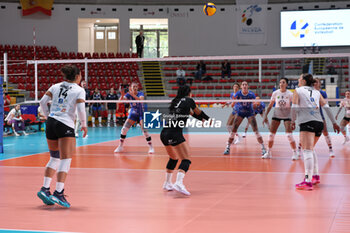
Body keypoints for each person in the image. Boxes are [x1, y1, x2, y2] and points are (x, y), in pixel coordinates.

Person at [37, 65, 87, 207]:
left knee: (54, 157)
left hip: (51, 123)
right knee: (66, 159)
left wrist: (48, 117)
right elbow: (81, 109)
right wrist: (84, 124)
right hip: (65, 124)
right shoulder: (79, 90)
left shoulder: (55, 86)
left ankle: (45, 189)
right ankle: (58, 192)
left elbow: (42, 103)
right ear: (77, 76)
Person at [291, 73, 339, 191]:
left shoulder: (298, 90)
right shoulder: (316, 92)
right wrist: (334, 122)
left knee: (306, 151)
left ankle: (307, 181)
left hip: (307, 122)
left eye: (300, 77)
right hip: (319, 123)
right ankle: (315, 176)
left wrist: (292, 120)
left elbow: (294, 107)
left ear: (303, 81)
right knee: (311, 149)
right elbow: (326, 107)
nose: (298, 79)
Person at [161, 85, 210, 195]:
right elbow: (198, 112)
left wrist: (202, 120)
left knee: (173, 158)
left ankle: (167, 183)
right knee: (186, 159)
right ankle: (179, 182)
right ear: (189, 93)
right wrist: (208, 119)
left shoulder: (176, 101)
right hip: (175, 132)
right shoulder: (189, 100)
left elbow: (193, 114)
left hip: (164, 133)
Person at [223, 81, 266, 155]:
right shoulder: (238, 93)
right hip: (240, 112)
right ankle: (228, 147)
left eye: (246, 84)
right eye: (243, 84)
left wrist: (256, 104)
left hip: (250, 112)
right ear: (241, 87)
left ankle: (263, 148)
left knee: (255, 130)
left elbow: (254, 104)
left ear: (248, 86)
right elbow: (232, 104)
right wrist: (233, 103)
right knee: (233, 129)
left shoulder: (251, 94)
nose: (244, 86)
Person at [262, 78, 299, 160]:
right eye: (280, 82)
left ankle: (295, 152)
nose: (281, 84)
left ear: (286, 84)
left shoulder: (290, 94)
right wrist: (265, 116)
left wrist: (293, 120)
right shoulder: (275, 93)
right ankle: (268, 153)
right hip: (276, 115)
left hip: (287, 116)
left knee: (289, 135)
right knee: (271, 135)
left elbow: (294, 107)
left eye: (283, 82)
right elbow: (270, 105)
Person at [114, 82, 154, 154]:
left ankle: (151, 147)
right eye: (133, 87)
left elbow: (141, 100)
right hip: (133, 113)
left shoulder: (140, 93)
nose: (135, 88)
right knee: (124, 129)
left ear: (138, 87)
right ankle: (120, 146)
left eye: (136, 86)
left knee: (144, 130)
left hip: (141, 113)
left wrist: (132, 95)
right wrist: (122, 95)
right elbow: (119, 102)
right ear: (131, 88)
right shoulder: (128, 94)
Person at [313, 78, 335, 157]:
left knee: (325, 131)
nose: (315, 83)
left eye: (316, 82)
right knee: (307, 132)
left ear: (319, 83)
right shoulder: (310, 92)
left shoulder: (323, 93)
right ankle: (300, 149)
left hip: (320, 115)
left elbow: (326, 105)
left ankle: (330, 149)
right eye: (314, 82)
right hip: (310, 115)